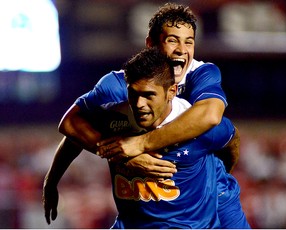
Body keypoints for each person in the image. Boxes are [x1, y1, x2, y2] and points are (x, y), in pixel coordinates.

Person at [47, 2, 249, 228]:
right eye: (172, 40)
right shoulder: (119, 85)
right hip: (143, 200)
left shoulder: (201, 74)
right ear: (151, 44)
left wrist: (139, 145)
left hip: (212, 192)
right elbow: (73, 125)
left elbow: (214, 119)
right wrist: (122, 156)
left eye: (188, 42)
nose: (182, 49)